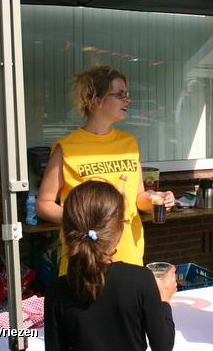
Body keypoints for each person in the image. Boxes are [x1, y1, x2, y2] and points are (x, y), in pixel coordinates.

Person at [36, 63, 175, 275]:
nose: (127, 99)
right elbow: (43, 204)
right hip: (85, 257)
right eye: (119, 94)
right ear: (97, 101)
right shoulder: (67, 148)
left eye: (126, 94)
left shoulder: (128, 142)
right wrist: (81, 222)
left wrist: (158, 198)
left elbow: (138, 197)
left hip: (129, 255)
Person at [44, 180, 176, 351]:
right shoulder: (140, 279)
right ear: (120, 233)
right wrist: (164, 298)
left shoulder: (57, 290)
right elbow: (163, 345)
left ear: (67, 232)